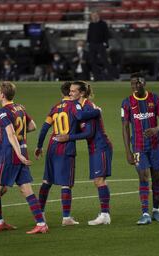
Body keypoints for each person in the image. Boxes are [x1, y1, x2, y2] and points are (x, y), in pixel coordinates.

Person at [0, 81, 48, 235]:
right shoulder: (20, 108)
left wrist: (17, 152)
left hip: (10, 154)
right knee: (26, 190)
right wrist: (21, 141)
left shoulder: (3, 112)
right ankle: (41, 224)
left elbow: (11, 133)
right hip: (23, 151)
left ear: (2, 95)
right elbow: (32, 125)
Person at [35, 81, 100, 226]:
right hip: (66, 148)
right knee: (66, 184)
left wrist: (39, 146)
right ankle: (66, 218)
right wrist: (96, 111)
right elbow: (80, 116)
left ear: (61, 93)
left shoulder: (55, 107)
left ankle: (40, 214)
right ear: (69, 92)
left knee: (47, 181)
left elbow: (44, 128)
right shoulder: (74, 104)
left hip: (52, 146)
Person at [55, 81, 112, 225]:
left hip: (101, 146)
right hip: (93, 148)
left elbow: (89, 132)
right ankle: (104, 214)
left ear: (81, 93)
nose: (70, 93)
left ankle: (105, 215)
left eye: (74, 91)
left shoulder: (88, 106)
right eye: (70, 91)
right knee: (97, 180)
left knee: (99, 180)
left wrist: (68, 137)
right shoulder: (81, 107)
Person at [121, 73, 159, 225]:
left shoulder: (154, 99)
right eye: (132, 84)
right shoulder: (127, 102)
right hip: (138, 147)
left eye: (138, 84)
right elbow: (125, 128)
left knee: (156, 178)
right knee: (143, 177)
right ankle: (145, 213)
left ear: (144, 83)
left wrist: (157, 129)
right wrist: (128, 151)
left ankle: (156, 210)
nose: (135, 87)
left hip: (155, 146)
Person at [87, 11, 112, 81]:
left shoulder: (103, 24)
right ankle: (96, 77)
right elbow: (89, 34)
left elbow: (106, 34)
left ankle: (110, 76)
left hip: (101, 44)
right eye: (92, 16)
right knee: (92, 61)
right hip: (92, 45)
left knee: (105, 61)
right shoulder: (91, 24)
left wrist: (105, 43)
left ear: (98, 16)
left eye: (95, 15)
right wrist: (88, 42)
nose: (94, 17)